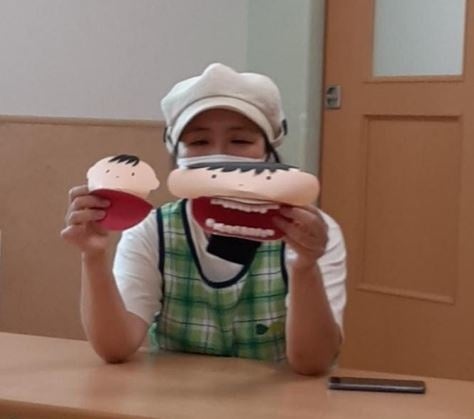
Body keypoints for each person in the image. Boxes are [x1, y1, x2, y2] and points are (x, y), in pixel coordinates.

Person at [61, 63, 346, 375]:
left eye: (240, 141)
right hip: (171, 395)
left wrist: (305, 266)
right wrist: (93, 256)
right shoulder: (153, 230)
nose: (220, 156)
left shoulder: (310, 234)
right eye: (199, 142)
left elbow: (313, 363)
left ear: (269, 150)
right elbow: (115, 348)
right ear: (177, 153)